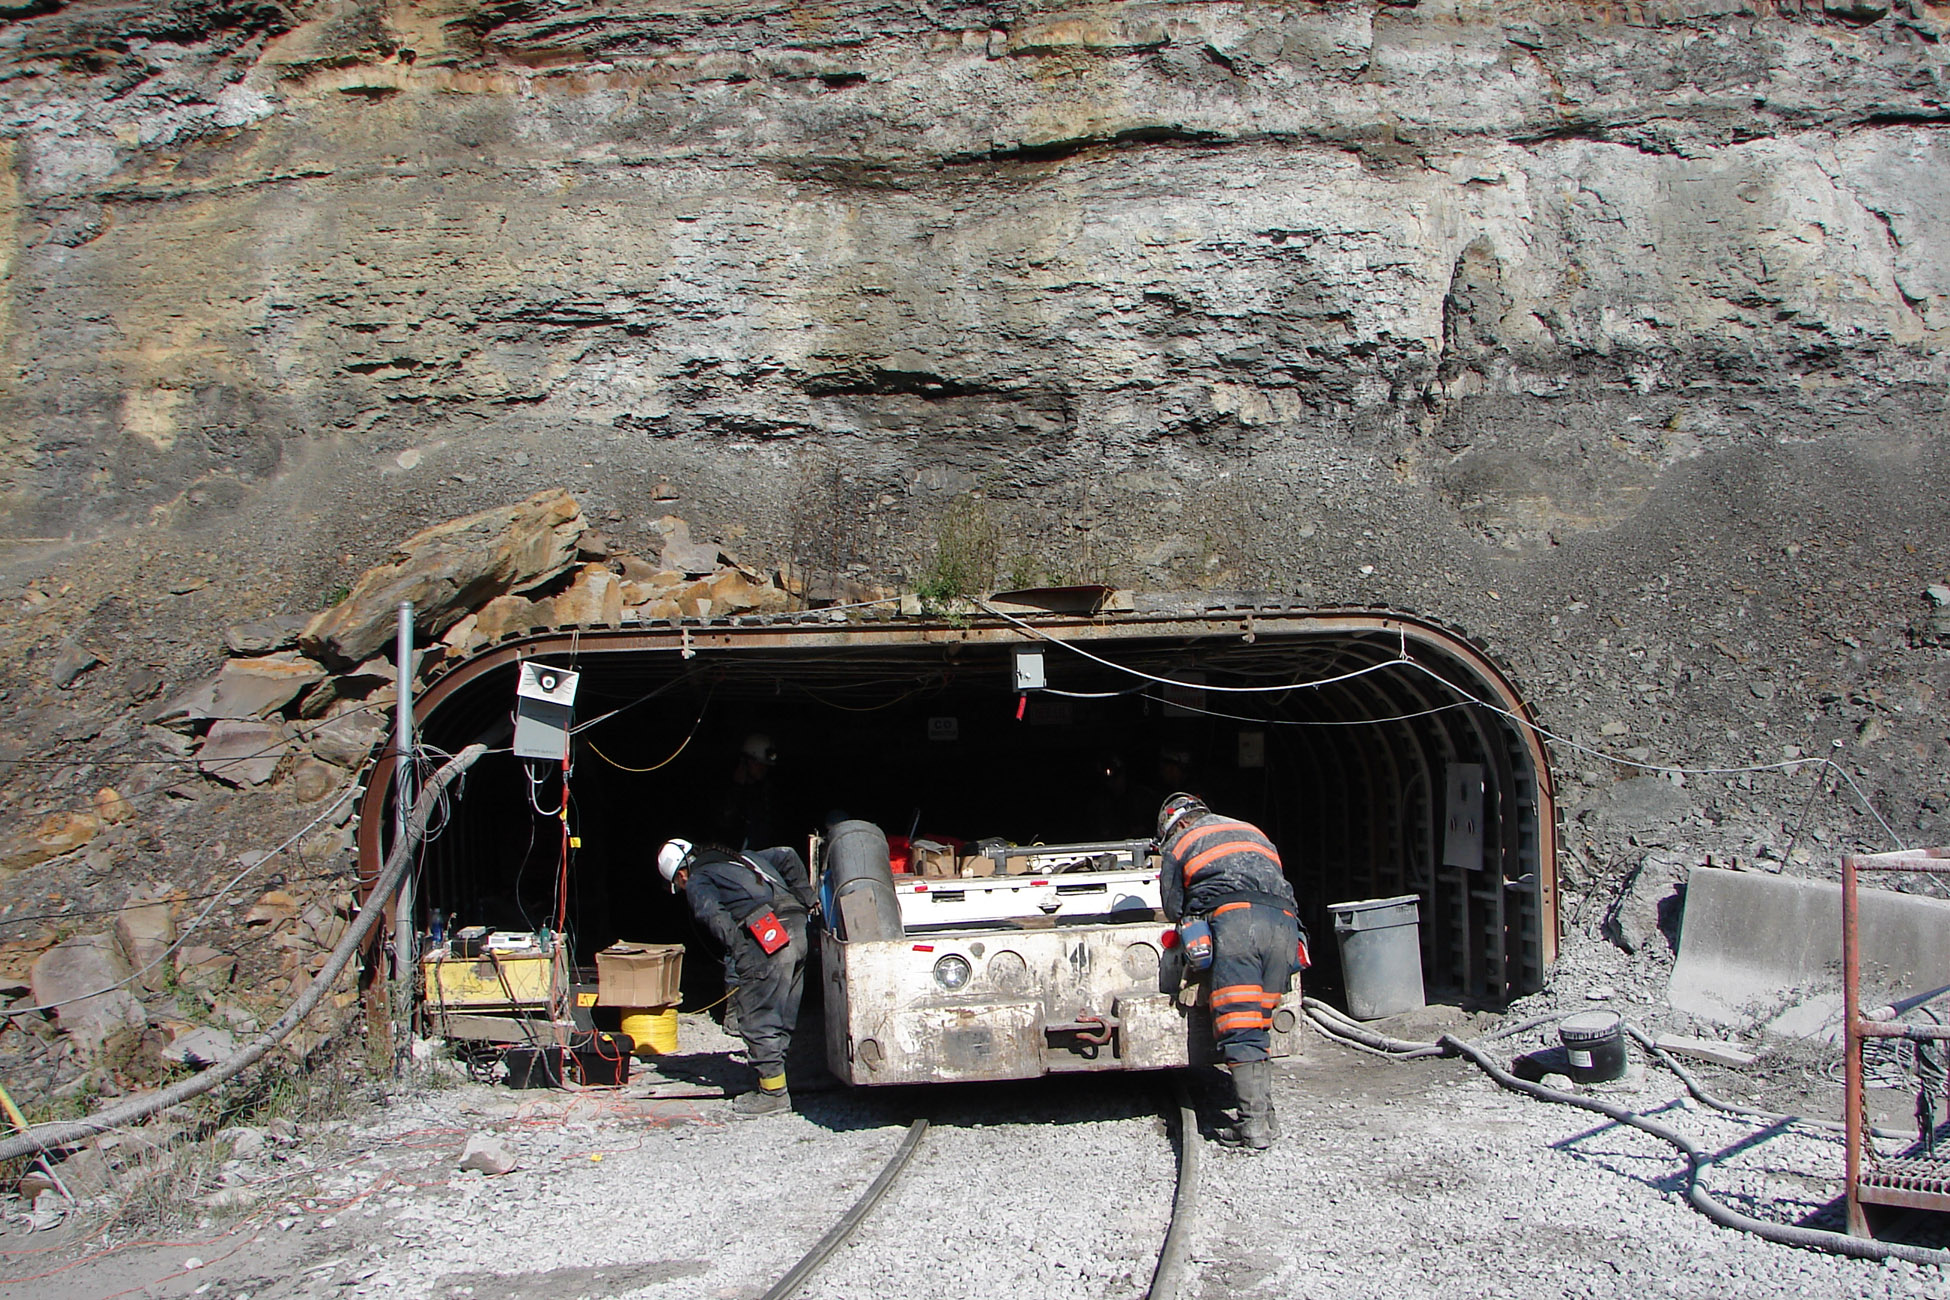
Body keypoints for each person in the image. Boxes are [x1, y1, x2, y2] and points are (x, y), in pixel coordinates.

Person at [1156, 792, 1301, 1151]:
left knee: (1240, 1029)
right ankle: (1266, 1118)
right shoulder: (1253, 831)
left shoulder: (1182, 841)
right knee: (1259, 1024)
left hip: (1236, 926)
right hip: (1285, 926)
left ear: (1179, 823)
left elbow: (1173, 907)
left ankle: (1253, 1127)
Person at [658, 836, 815, 1117]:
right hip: (798, 929)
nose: (683, 888)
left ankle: (773, 1095)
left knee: (757, 1017)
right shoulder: (745, 859)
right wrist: (809, 899)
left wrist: (739, 949)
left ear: (681, 874)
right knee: (782, 1014)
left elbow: (712, 915)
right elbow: (787, 854)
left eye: (679, 885)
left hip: (767, 936)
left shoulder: (698, 879)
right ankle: (776, 1078)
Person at [713, 733, 779, 851]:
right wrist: (737, 788)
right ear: (745, 762)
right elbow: (723, 824)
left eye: (765, 765)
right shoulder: (726, 792)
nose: (762, 768)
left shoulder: (765, 794)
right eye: (757, 763)